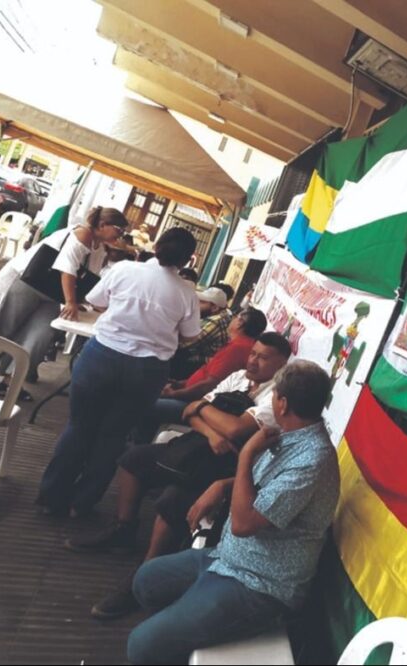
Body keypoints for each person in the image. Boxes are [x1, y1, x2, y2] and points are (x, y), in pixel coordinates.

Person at [126, 361, 339, 664]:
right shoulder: (290, 434)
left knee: (141, 646)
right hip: (228, 556)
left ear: (282, 403)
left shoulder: (311, 460)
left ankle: (184, 632)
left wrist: (246, 455)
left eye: (274, 394)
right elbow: (260, 486)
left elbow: (242, 523)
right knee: (146, 581)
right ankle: (184, 629)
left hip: (260, 584)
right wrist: (222, 485)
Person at [69, 333, 293, 619]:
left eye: (263, 358)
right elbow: (189, 412)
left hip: (228, 468)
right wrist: (211, 430)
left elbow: (236, 429)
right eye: (253, 353)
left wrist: (203, 410)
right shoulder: (238, 377)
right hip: (198, 446)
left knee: (172, 500)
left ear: (282, 363)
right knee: (132, 460)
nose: (253, 361)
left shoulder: (276, 398)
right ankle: (123, 530)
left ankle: (145, 575)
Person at [36, 228, 201, 518]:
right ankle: (81, 504)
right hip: (147, 371)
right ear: (188, 260)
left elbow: (97, 301)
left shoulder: (125, 269)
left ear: (157, 246)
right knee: (114, 436)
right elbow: (190, 335)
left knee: (79, 426)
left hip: (101, 356)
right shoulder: (187, 293)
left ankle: (51, 497)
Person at [0, 207, 128, 398]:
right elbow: (66, 268)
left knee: (39, 336)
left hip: (52, 292)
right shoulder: (82, 233)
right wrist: (70, 301)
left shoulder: (100, 249)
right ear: (102, 225)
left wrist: (83, 301)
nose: (121, 235)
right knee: (3, 327)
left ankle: (13, 378)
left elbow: (88, 278)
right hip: (25, 279)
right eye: (119, 229)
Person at [170, 287, 233, 379]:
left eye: (201, 302)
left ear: (214, 308)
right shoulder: (220, 316)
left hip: (199, 365)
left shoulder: (215, 321)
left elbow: (185, 344)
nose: (196, 305)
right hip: (199, 360)